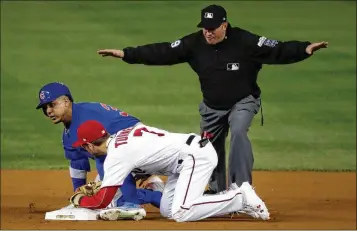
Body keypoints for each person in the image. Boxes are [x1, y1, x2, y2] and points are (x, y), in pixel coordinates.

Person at [96, 4, 328, 194]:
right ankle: (218, 190)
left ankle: (241, 188)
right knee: (209, 147)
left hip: (243, 100)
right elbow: (163, 51)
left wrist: (304, 48)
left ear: (225, 25)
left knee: (238, 132)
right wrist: (127, 54)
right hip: (211, 107)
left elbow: (277, 48)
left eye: (213, 28)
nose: (208, 32)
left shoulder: (244, 41)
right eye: (205, 27)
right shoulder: (194, 43)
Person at [69, 120, 270, 222]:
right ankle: (229, 197)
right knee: (168, 211)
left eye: (84, 146)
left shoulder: (115, 156)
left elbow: (102, 201)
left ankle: (241, 196)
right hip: (185, 158)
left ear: (89, 146)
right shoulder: (123, 135)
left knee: (181, 212)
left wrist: (79, 200)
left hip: (194, 157)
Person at [35, 82, 163, 210]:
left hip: (141, 148)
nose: (48, 111)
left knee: (108, 200)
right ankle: (150, 183)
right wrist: (78, 193)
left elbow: (107, 156)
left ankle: (156, 196)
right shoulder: (69, 133)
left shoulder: (87, 119)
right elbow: (78, 161)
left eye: (52, 105)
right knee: (100, 194)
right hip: (125, 152)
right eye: (45, 108)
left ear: (66, 101)